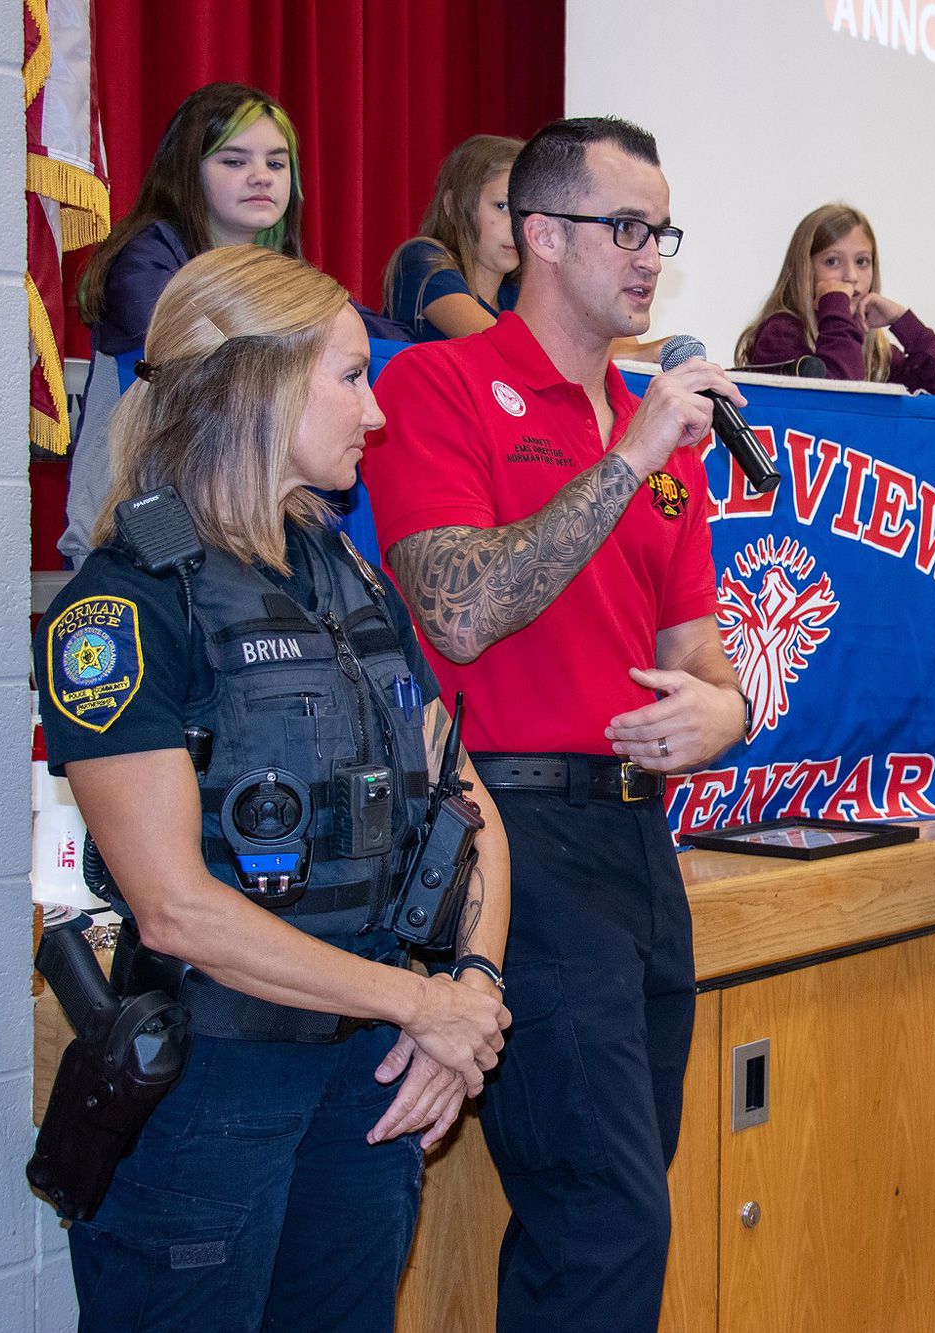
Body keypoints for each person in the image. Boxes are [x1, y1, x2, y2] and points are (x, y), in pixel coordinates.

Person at [35, 245, 512, 1330]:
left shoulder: (346, 573)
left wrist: (472, 990)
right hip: (215, 1086)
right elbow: (175, 906)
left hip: (369, 1075)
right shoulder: (125, 607)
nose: (375, 412)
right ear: (255, 386)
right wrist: (422, 1004)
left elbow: (467, 799)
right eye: (348, 376)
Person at [360, 115, 749, 1331]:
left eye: (659, 232)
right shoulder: (435, 384)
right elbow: (460, 610)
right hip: (510, 836)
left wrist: (721, 714)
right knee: (606, 1220)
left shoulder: (654, 424)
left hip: (642, 849)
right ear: (538, 232)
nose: (649, 257)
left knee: (614, 1210)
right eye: (624, 228)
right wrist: (627, 456)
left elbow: (700, 653)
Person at [60, 82, 305, 565]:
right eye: (234, 161)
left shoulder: (280, 273)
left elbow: (356, 332)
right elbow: (207, 364)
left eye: (276, 164)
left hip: (229, 541)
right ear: (186, 172)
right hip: (127, 543)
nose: (261, 176)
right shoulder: (141, 262)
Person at [735, 202, 935, 395]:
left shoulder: (878, 353)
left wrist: (904, 322)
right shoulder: (781, 333)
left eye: (862, 262)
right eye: (832, 261)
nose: (851, 276)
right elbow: (839, 399)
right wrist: (835, 306)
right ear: (805, 270)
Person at [383, 134, 524, 341]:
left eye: (525, 211)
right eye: (501, 206)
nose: (517, 226)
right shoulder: (423, 261)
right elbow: (501, 346)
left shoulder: (516, 294)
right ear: (452, 207)